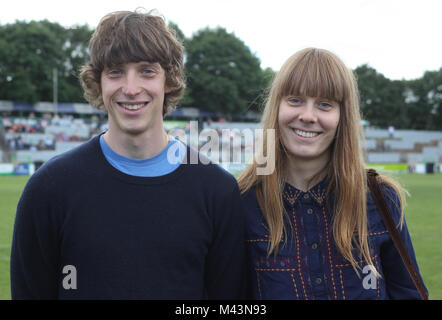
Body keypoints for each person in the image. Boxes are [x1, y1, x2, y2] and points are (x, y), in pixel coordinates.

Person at [11, 10, 245, 299]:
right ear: (99, 82)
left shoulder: (217, 190)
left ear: (169, 80)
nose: (131, 89)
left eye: (147, 71)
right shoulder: (49, 187)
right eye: (115, 72)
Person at [238, 48, 427, 300]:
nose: (307, 116)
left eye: (324, 105)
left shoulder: (381, 199)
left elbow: (409, 294)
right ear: (276, 107)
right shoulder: (240, 203)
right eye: (294, 100)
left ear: (342, 116)